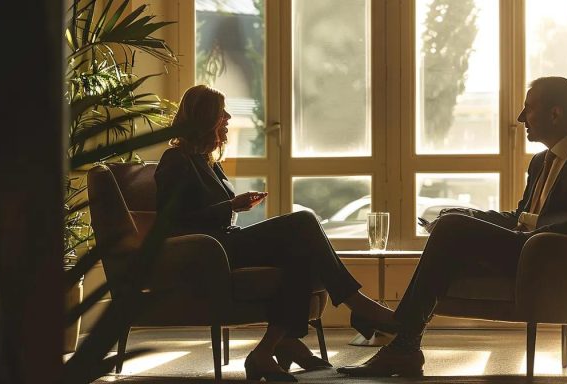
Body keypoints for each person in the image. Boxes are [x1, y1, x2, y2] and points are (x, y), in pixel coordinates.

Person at [338, 77, 567, 377]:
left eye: (528, 108)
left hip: (547, 258)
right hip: (523, 248)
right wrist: (471, 215)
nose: (521, 117)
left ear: (555, 114)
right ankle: (405, 344)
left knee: (451, 228)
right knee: (452, 225)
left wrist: (521, 231)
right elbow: (520, 216)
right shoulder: (540, 162)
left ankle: (399, 329)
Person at [155, 85, 395, 382]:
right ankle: (356, 304)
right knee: (303, 221)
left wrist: (231, 206)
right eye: (221, 112)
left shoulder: (206, 162)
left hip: (226, 242)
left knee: (299, 254)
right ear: (204, 117)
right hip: (210, 250)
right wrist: (230, 205)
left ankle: (267, 350)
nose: (228, 117)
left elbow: (212, 207)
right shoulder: (174, 160)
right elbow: (174, 222)